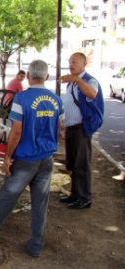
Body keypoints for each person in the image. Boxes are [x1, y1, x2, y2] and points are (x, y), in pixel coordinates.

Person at [0, 60, 64, 257]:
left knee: (7, 195)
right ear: (45, 76)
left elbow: (16, 132)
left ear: (28, 76)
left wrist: (7, 157)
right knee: (40, 203)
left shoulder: (22, 98)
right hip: (46, 158)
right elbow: (60, 129)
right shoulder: (56, 99)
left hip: (26, 159)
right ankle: (36, 245)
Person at [59, 52, 104, 209]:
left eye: (75, 62)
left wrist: (77, 79)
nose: (71, 65)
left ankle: (84, 198)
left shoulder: (89, 80)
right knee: (72, 164)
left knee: (82, 164)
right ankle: (75, 195)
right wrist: (64, 124)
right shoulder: (72, 83)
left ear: (84, 65)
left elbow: (92, 93)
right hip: (71, 128)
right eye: (70, 62)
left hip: (82, 128)